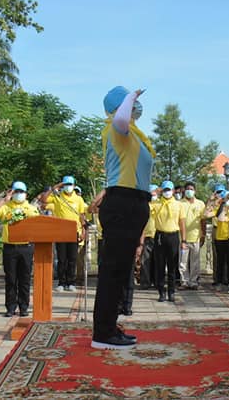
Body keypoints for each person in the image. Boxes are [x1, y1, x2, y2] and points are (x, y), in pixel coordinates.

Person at [89, 86, 153, 350]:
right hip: (123, 204)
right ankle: (102, 333)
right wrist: (131, 97)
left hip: (133, 202)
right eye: (130, 102)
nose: (137, 106)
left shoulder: (133, 136)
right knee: (113, 271)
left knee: (120, 270)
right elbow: (120, 119)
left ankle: (109, 325)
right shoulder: (116, 128)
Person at [0, 181, 40, 317]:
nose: (18, 194)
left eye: (21, 192)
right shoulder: (6, 207)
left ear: (26, 194)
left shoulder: (30, 208)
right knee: (11, 279)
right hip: (10, 247)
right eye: (16, 192)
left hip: (26, 247)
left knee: (24, 279)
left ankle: (23, 307)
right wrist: (4, 200)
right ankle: (10, 307)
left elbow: (38, 221)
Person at [40, 176, 88, 292]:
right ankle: (61, 282)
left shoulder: (78, 199)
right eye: (66, 184)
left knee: (72, 258)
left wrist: (83, 231)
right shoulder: (57, 197)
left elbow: (81, 216)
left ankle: (71, 282)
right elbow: (43, 200)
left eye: (70, 184)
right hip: (60, 231)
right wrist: (54, 188)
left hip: (74, 231)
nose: (68, 187)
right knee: (62, 259)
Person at [152, 181, 181, 303]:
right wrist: (155, 195)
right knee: (160, 265)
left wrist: (183, 240)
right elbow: (146, 208)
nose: (167, 192)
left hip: (173, 236)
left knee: (172, 266)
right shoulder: (156, 204)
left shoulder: (178, 204)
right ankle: (161, 292)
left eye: (169, 189)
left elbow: (182, 222)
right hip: (160, 236)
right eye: (165, 190)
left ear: (173, 190)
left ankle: (171, 291)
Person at [178, 182, 206, 290]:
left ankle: (193, 281)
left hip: (196, 237)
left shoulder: (200, 204)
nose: (189, 191)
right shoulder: (180, 203)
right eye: (187, 189)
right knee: (183, 261)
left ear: (195, 191)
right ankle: (184, 281)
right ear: (184, 190)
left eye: (191, 189)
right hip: (183, 238)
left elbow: (203, 221)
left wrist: (203, 234)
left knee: (195, 261)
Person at [205, 186, 229, 291]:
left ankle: (227, 279)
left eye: (222, 193)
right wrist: (211, 200)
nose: (220, 195)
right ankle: (217, 279)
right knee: (218, 258)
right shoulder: (216, 206)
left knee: (228, 260)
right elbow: (206, 214)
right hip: (218, 232)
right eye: (218, 192)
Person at [137, 185, 158, 290]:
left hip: (158, 235)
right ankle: (145, 282)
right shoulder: (143, 206)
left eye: (154, 192)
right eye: (151, 192)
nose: (153, 194)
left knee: (157, 260)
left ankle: (157, 281)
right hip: (146, 236)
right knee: (145, 261)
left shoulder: (159, 204)